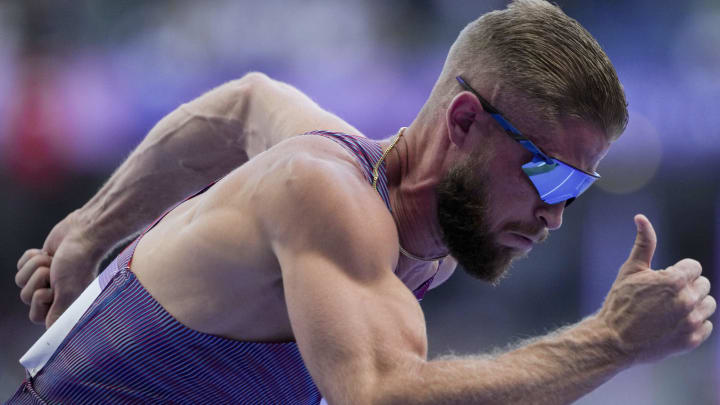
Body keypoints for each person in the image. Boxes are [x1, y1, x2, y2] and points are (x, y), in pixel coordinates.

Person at [9, 1, 715, 404]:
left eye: (578, 187)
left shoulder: (409, 230)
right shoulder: (327, 193)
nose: (556, 213)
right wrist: (611, 340)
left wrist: (85, 232)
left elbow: (244, 101)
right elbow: (377, 395)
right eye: (548, 175)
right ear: (463, 122)